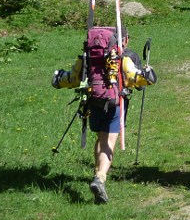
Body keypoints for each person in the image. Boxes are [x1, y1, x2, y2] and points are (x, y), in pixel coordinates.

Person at [52, 29, 157, 204]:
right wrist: (148, 74)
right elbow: (137, 79)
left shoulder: (88, 57)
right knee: (108, 142)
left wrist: (58, 78)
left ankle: (97, 174)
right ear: (125, 40)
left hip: (92, 103)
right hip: (114, 105)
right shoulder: (123, 59)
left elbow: (71, 79)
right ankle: (100, 178)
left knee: (100, 139)